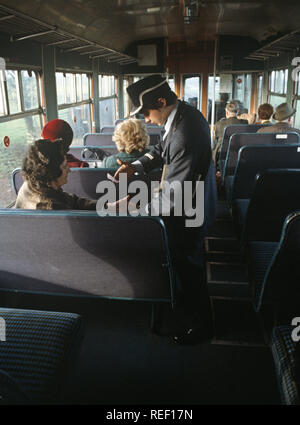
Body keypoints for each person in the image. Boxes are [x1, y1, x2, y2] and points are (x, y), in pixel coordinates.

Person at [114, 74, 217, 345]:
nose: (146, 119)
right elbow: (160, 149)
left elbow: (174, 194)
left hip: (189, 210)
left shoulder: (186, 133)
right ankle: (188, 310)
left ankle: (201, 328)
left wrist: (139, 211)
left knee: (190, 267)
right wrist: (137, 166)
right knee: (185, 264)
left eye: (146, 112)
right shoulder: (181, 116)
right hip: (189, 201)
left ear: (161, 101)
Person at [15, 139, 97, 210]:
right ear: (52, 173)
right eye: (64, 167)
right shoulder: (52, 206)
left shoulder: (32, 185)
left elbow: (72, 201)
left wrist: (103, 205)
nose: (69, 170)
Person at [213, 100, 248, 166]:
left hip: (222, 156)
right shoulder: (244, 123)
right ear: (238, 112)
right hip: (239, 156)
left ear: (226, 112)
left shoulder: (219, 124)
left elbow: (216, 141)